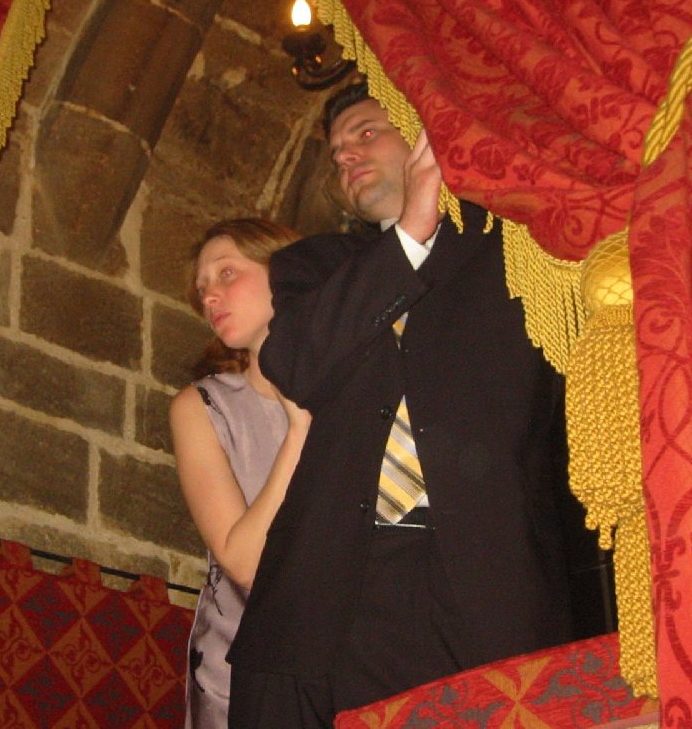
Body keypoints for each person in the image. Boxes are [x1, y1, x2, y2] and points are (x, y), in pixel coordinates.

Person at [226, 80, 583, 726]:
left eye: (367, 133)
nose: (346, 155)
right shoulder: (316, 266)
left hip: (486, 577)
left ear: (424, 138)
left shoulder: (519, 249)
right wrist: (411, 233)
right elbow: (294, 363)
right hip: (331, 582)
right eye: (336, 150)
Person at [170, 217, 308, 728]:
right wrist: (300, 430)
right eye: (202, 287)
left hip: (346, 669)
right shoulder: (201, 407)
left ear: (286, 272)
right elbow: (245, 565)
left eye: (227, 273)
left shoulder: (355, 395)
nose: (209, 296)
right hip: (240, 675)